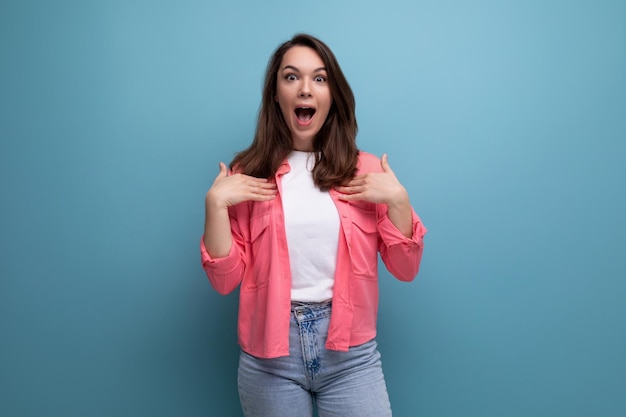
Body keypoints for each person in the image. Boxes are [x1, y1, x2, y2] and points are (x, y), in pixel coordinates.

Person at [201, 33, 427, 417]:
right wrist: (215, 205)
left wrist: (399, 201)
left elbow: (406, 269)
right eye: (291, 77)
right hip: (269, 359)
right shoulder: (248, 174)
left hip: (351, 354)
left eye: (319, 79)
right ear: (276, 94)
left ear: (332, 95)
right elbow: (224, 281)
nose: (305, 88)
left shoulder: (368, 171)